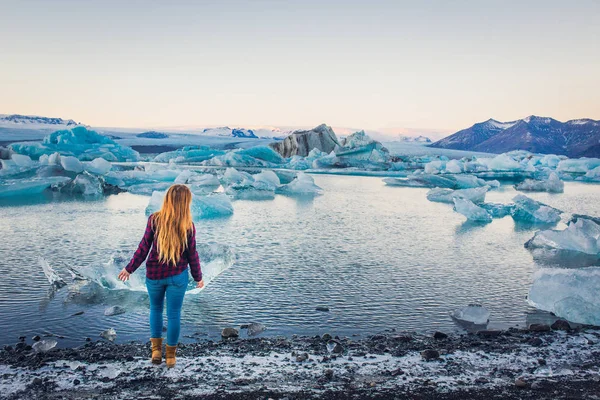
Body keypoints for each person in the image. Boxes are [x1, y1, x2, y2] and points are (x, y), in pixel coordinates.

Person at [118, 184, 204, 368]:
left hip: (154, 275)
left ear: (167, 199)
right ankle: (171, 357)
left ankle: (156, 352)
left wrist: (129, 269)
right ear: (185, 203)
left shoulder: (154, 220)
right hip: (177, 276)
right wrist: (198, 277)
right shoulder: (188, 226)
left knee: (155, 310)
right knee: (173, 315)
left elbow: (143, 248)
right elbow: (192, 255)